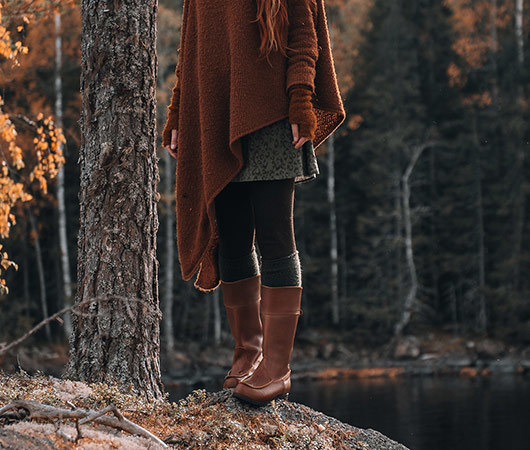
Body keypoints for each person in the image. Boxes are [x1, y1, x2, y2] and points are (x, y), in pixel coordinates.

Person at [161, 0, 345, 406]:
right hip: (217, 110)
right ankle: (248, 353)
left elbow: (304, 32)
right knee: (231, 235)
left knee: (276, 233)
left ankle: (277, 368)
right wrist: (178, 111)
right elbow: (190, 48)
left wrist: (301, 98)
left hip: (275, 113)